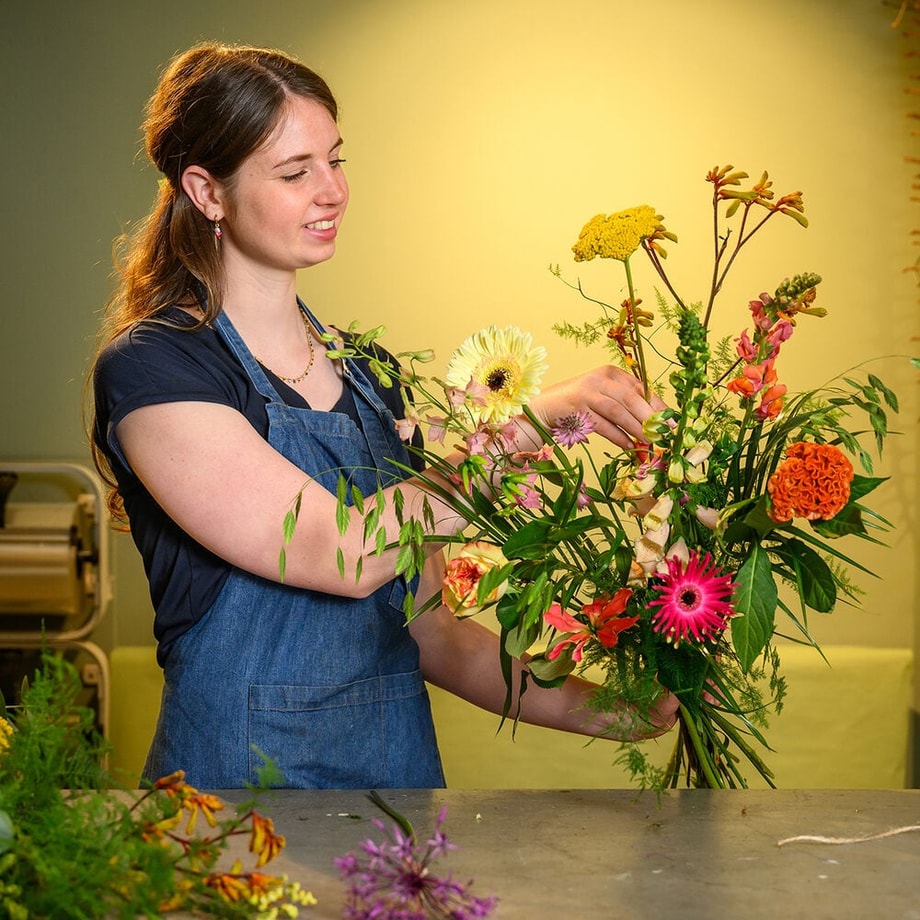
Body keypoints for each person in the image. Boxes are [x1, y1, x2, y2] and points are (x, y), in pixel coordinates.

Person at [89, 42, 678, 790]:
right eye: (296, 172)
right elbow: (341, 549)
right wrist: (519, 433)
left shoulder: (370, 379)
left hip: (395, 803)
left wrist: (624, 712)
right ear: (207, 191)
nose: (331, 190)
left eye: (336, 160)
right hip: (232, 808)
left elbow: (436, 638)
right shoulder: (157, 369)